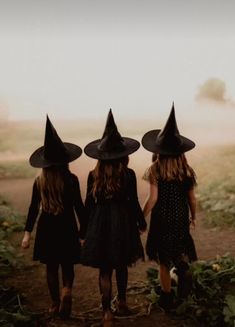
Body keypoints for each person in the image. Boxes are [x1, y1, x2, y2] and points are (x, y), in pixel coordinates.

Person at [81, 110, 147, 325]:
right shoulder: (128, 174)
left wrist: (83, 231)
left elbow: (88, 204)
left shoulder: (94, 175)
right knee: (121, 264)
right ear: (123, 154)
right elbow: (134, 201)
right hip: (123, 221)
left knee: (105, 268)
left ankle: (106, 311)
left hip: (100, 222)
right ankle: (123, 303)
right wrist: (141, 222)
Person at [21, 116, 86, 318]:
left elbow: (33, 208)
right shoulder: (72, 179)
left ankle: (55, 303)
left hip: (47, 229)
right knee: (67, 264)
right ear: (65, 160)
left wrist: (27, 234)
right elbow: (79, 207)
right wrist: (84, 232)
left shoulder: (39, 181)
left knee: (51, 267)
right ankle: (67, 289)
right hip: (67, 227)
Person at [141, 104, 197, 311]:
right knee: (180, 248)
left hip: (161, 219)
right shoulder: (186, 170)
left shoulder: (154, 169)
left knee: (163, 261)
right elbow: (192, 198)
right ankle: (182, 270)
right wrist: (193, 216)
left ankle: (166, 298)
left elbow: (152, 199)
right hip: (180, 216)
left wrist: (141, 217)